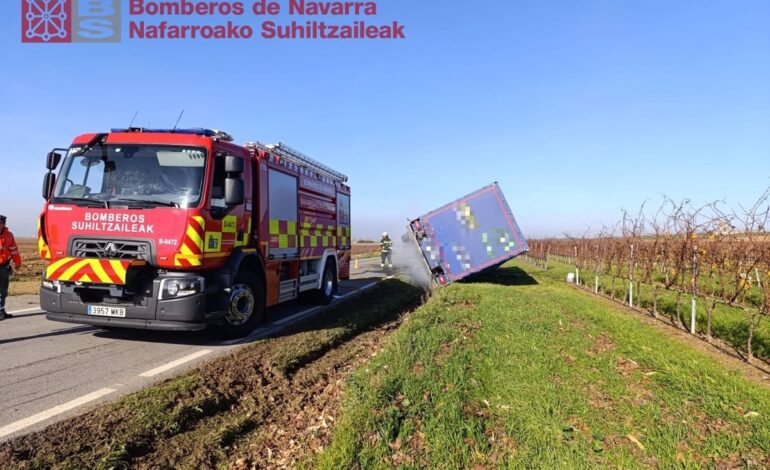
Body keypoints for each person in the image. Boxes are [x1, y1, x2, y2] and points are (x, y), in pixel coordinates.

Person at [0, 215, 22, 320]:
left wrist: (17, 263)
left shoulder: (9, 236)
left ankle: (1, 311)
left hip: (4, 267)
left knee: (3, 290)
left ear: (4, 224)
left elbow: (14, 251)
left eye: (1, 223)